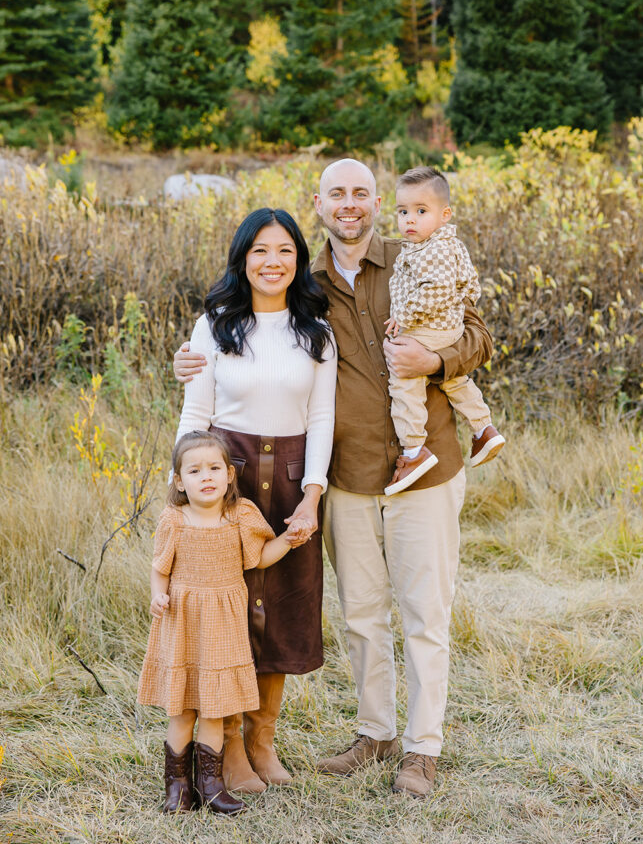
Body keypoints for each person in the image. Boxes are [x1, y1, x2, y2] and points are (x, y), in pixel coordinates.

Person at [174, 161, 492, 799]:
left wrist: (437, 358)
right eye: (336, 195)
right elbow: (247, 348)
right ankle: (375, 733)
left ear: (377, 203)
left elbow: (478, 333)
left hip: (422, 464)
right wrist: (190, 359)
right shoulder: (303, 284)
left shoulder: (416, 260)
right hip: (346, 472)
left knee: (425, 613)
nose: (349, 206)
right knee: (361, 612)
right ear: (318, 203)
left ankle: (422, 749)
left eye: (361, 195)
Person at [173, 207, 337, 795]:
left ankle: (265, 740)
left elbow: (322, 418)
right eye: (261, 251)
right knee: (231, 612)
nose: (273, 262)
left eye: (286, 251)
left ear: (299, 259)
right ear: (243, 258)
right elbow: (196, 416)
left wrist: (312, 494)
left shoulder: (316, 331)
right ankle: (231, 743)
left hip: (293, 478)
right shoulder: (214, 326)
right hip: (228, 474)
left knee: (285, 609)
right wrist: (189, 494)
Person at [137, 430, 309, 815]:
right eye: (195, 471)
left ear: (230, 474)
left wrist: (288, 540)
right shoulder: (174, 520)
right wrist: (157, 594)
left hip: (224, 626)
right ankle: (178, 789)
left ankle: (211, 785)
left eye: (215, 468)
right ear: (180, 481)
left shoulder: (240, 516)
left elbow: (260, 558)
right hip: (182, 623)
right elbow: (159, 567)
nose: (207, 476)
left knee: (215, 708)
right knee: (182, 711)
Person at [383, 166, 504, 495]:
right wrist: (460, 303)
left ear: (444, 214)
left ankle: (413, 449)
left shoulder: (430, 249)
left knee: (404, 379)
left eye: (421, 212)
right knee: (455, 380)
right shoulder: (449, 245)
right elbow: (468, 284)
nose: (410, 220)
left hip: (428, 329)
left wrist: (405, 316)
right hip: (447, 329)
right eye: (403, 212)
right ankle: (483, 428)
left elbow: (435, 289)